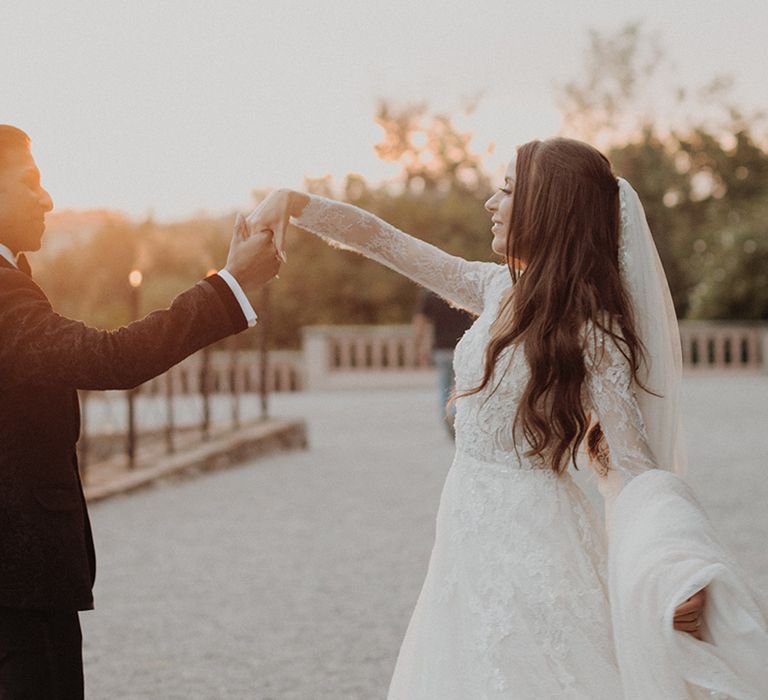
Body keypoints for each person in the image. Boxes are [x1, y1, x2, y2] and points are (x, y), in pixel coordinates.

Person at [247, 136, 767, 698]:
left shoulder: (593, 330)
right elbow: (386, 242)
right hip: (466, 537)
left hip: (535, 547)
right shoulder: (494, 287)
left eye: (507, 190)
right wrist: (295, 203)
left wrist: (672, 566)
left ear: (550, 208)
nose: (491, 204)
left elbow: (635, 467)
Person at [0, 125, 281, 699]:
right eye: (31, 182)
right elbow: (113, 359)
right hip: (18, 579)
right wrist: (232, 285)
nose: (48, 198)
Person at [412, 289, 475, 437]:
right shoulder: (462, 290)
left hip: (441, 349)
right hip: (463, 346)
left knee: (444, 387)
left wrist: (418, 346)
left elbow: (420, 321)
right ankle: (457, 414)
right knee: (464, 387)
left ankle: (448, 416)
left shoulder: (430, 294)